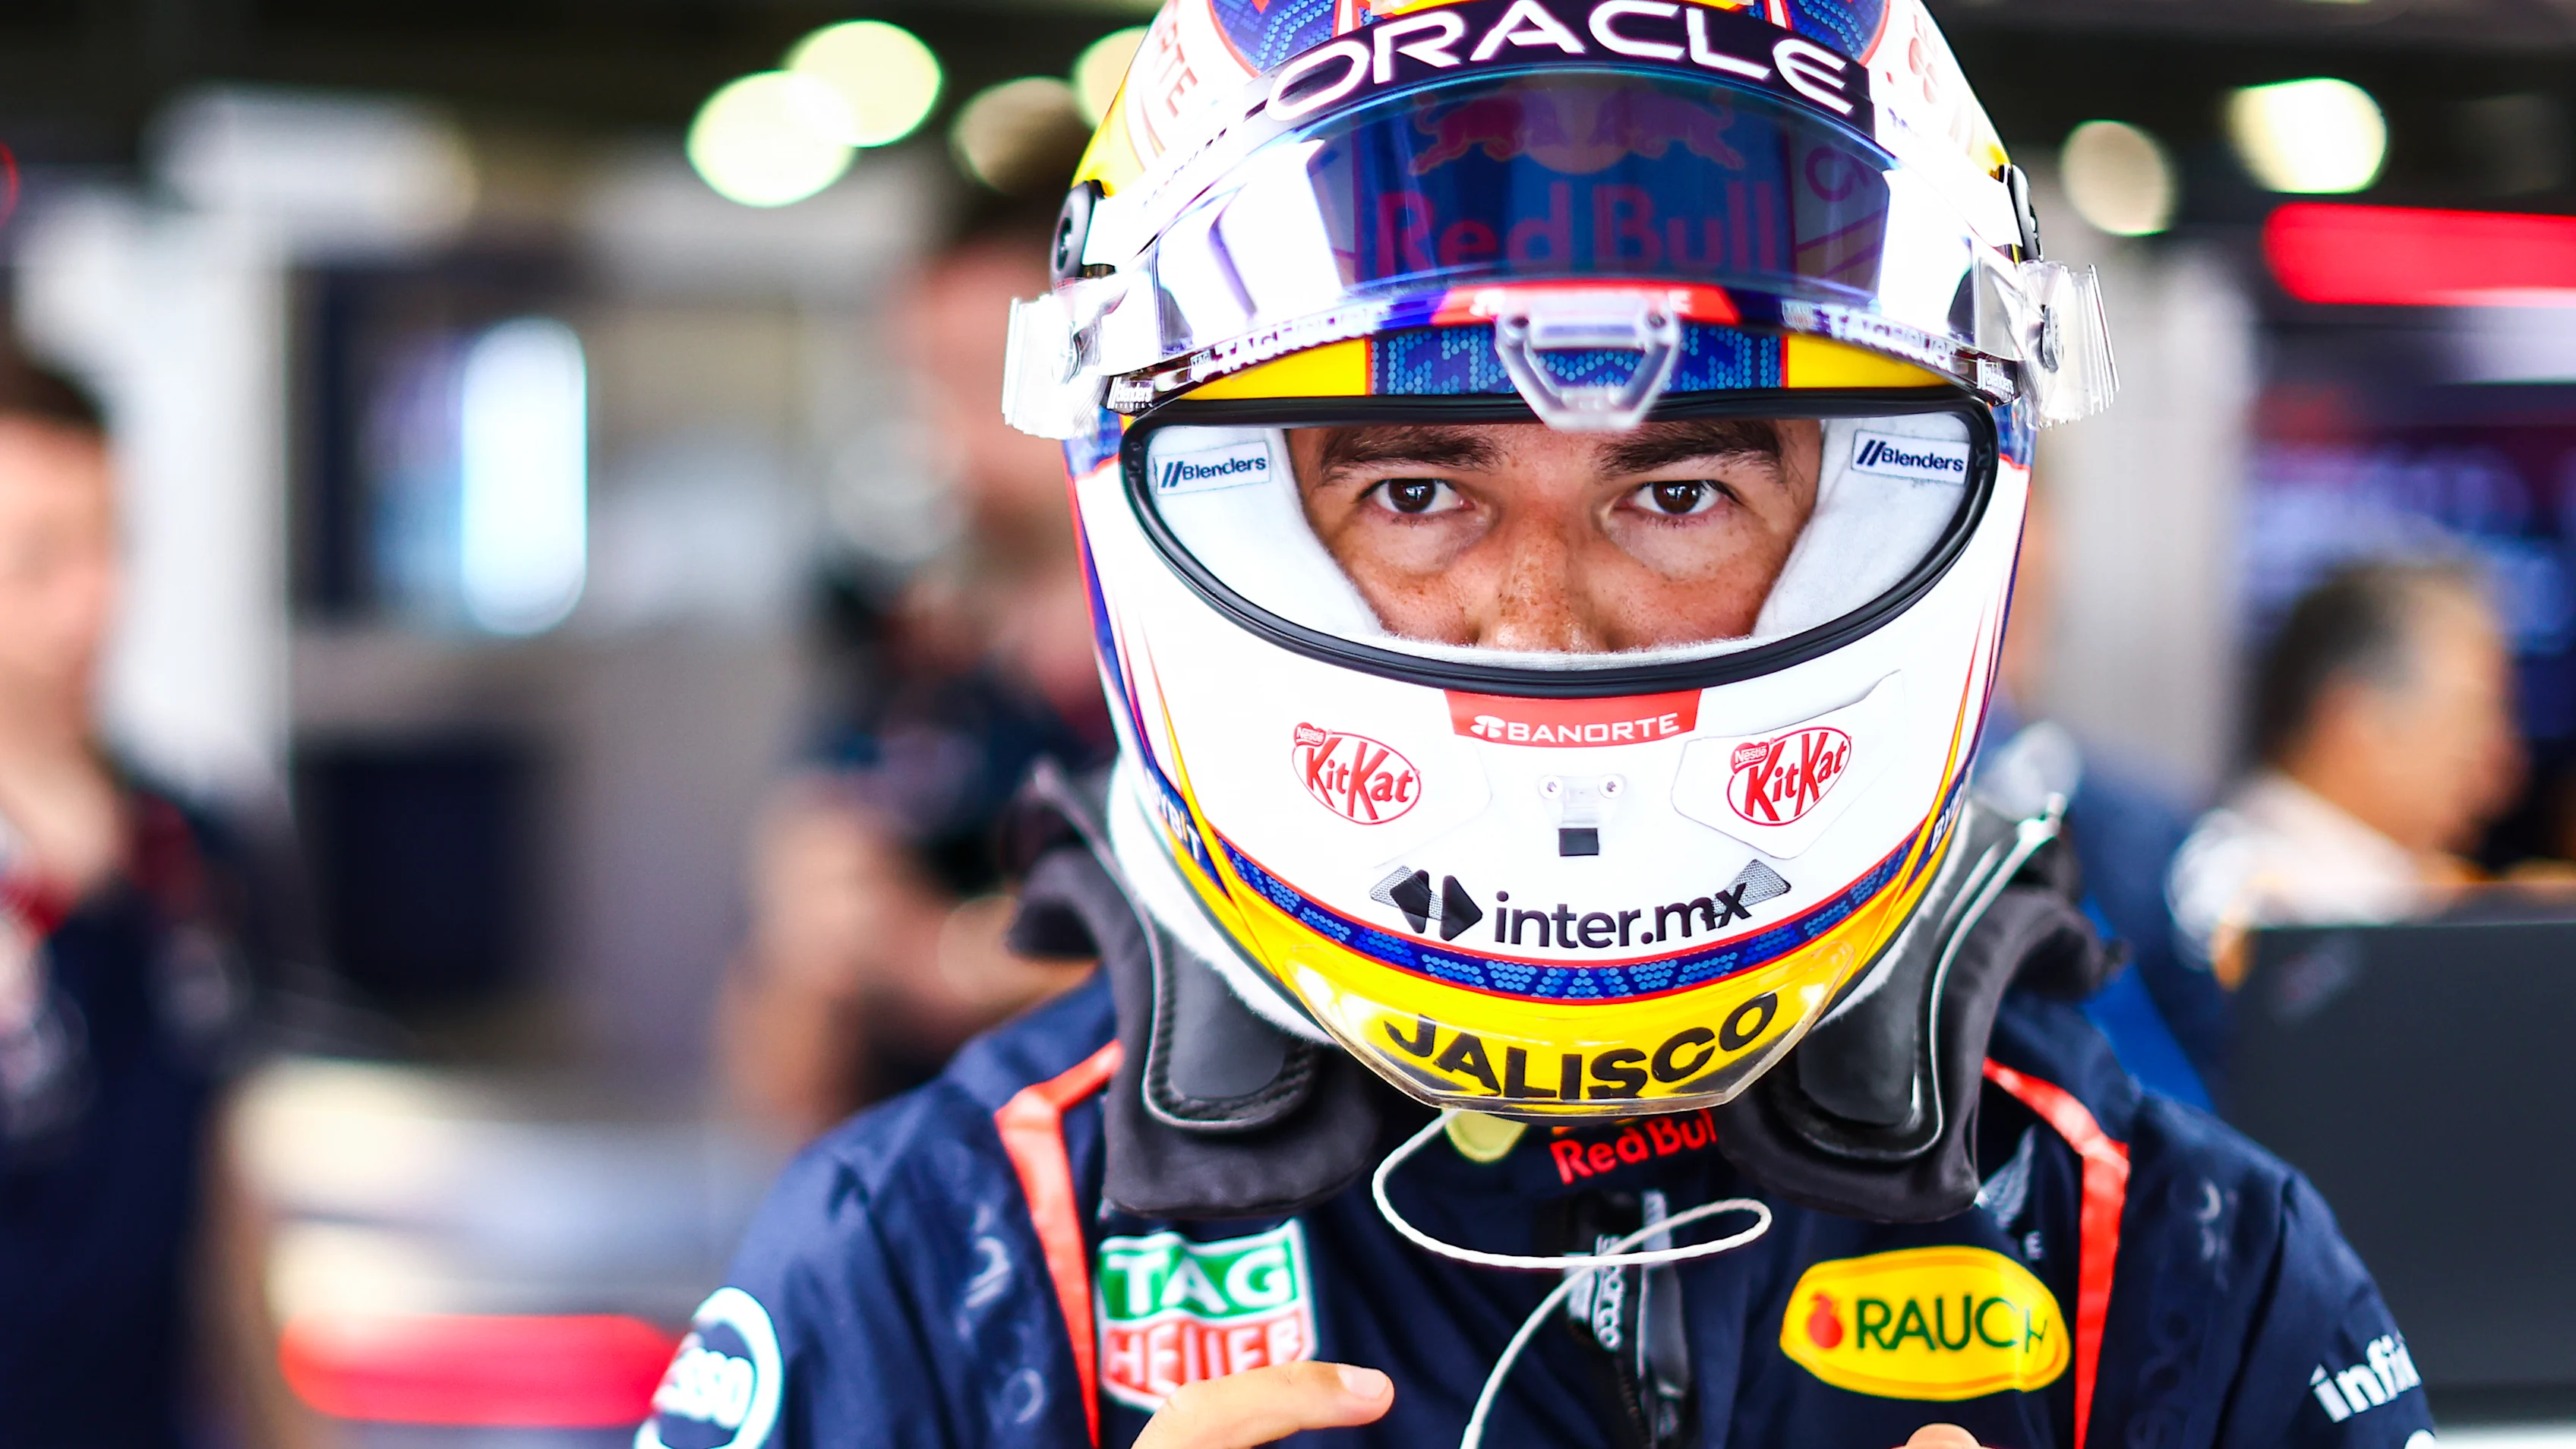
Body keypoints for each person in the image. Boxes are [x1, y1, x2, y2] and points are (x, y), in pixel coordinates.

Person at [644, 4, 2432, 1447]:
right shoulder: (939, 1262)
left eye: (1677, 496)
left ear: (1875, 513)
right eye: (1418, 488)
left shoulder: (2181, 1264)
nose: (1543, 621)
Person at [719, 195, 1113, 1141]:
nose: (944, 441)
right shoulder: (907, 689)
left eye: (985, 384)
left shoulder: (1210, 689)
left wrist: (950, 960)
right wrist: (812, 952)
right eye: (921, 387)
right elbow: (776, 1088)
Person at [0, 351, 313, 1447]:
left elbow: (225, 1212)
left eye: (109, 547)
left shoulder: (195, 852)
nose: (93, 602)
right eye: (39, 562)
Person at [2167, 560, 2523, 986]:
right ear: (2356, 721)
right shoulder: (2240, 897)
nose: (2499, 763)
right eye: (2469, 719)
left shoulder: (2422, 891)